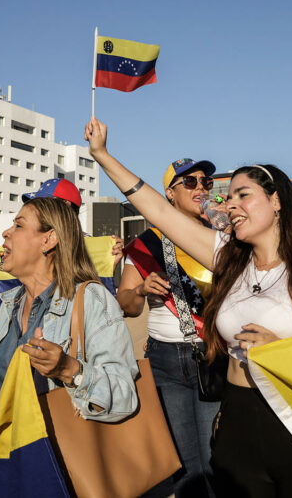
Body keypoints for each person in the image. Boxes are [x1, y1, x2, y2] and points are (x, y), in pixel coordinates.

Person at [84, 118, 292, 497]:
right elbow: (160, 213)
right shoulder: (229, 259)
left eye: (242, 195)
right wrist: (103, 155)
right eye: (228, 196)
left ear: (277, 200)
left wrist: (285, 352)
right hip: (235, 419)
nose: (229, 204)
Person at [0, 194, 138, 426]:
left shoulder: (91, 299)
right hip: (7, 455)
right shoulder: (10, 304)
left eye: (19, 225)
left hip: (57, 457)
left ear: (49, 239)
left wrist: (69, 369)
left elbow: (124, 396)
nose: (6, 233)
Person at [118, 157, 219, 497]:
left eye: (206, 181)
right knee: (185, 461)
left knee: (213, 457)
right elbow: (126, 305)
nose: (201, 187)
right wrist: (141, 290)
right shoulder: (147, 244)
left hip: (212, 353)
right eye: (190, 182)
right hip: (165, 359)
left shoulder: (219, 236)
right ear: (169, 194)